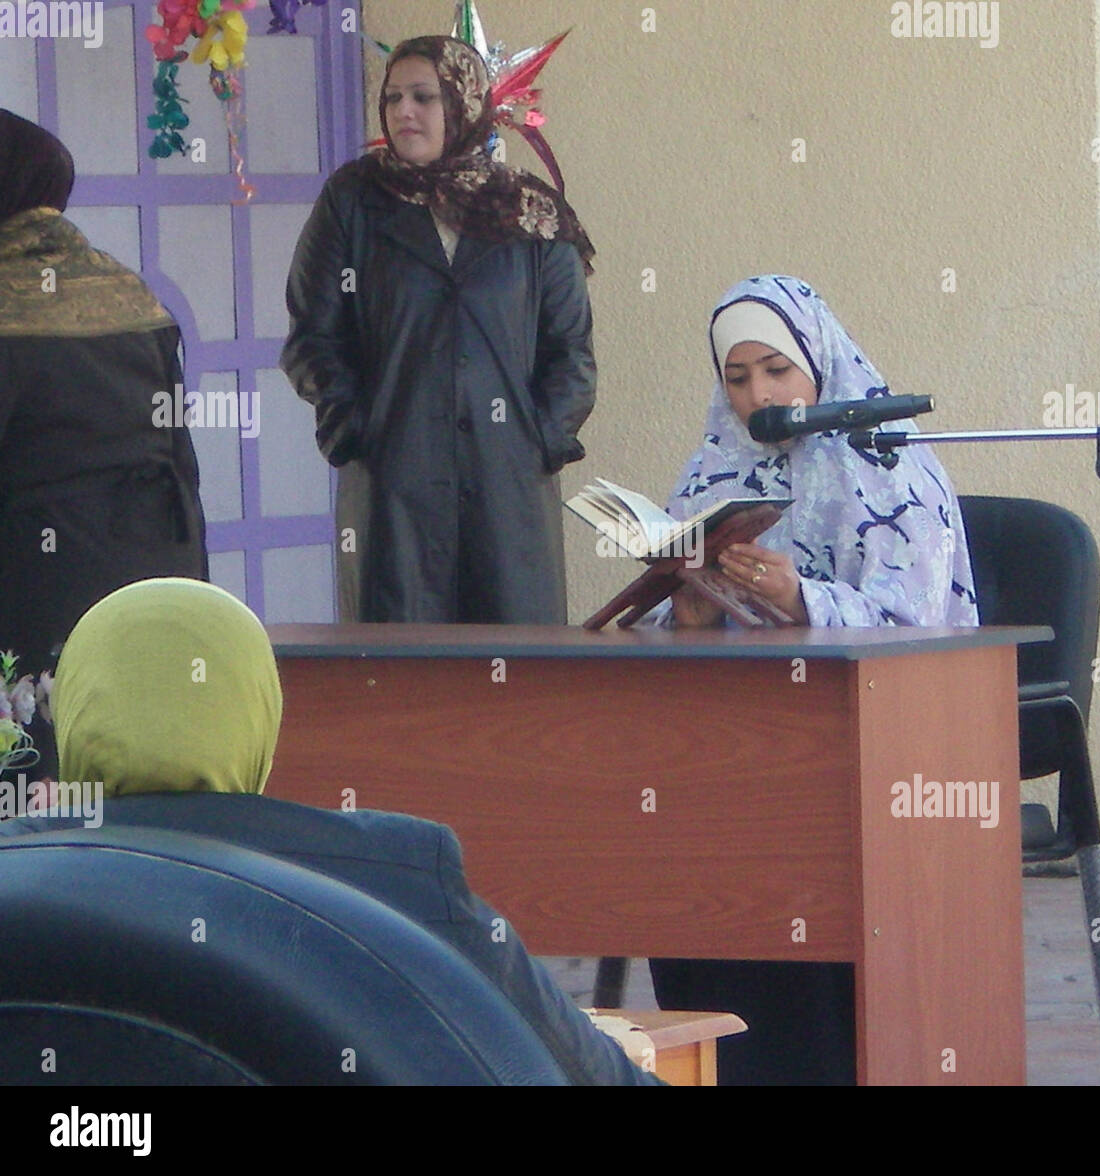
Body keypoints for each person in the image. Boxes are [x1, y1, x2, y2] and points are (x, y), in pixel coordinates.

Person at [0, 576, 661, 1086]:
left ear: (76, 714)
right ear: (258, 710)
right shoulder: (394, 872)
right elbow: (596, 1075)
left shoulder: (20, 881)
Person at [648, 275, 979, 1084]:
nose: (759, 396)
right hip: (739, 739)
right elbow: (674, 621)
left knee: (793, 830)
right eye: (737, 378)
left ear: (818, 361)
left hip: (874, 741)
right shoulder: (714, 465)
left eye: (775, 370)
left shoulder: (891, 462)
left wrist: (799, 596)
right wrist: (688, 613)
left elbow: (916, 627)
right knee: (672, 825)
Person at [281, 35, 596, 624]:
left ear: (463, 104)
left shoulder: (529, 212)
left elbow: (570, 351)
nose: (404, 111)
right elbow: (312, 334)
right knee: (403, 686)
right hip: (393, 484)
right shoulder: (355, 202)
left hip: (508, 492)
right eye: (393, 97)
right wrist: (357, 426)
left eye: (423, 97)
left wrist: (536, 441)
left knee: (517, 683)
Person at [0, 110, 208, 781]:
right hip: (149, 570)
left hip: (33, 578)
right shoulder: (127, 288)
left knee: (33, 784)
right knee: (129, 775)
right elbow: (179, 453)